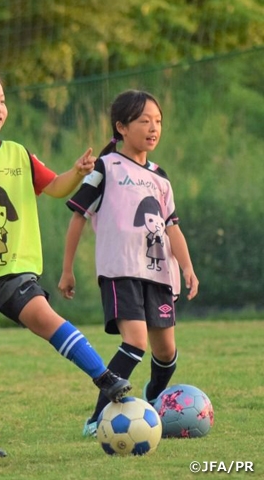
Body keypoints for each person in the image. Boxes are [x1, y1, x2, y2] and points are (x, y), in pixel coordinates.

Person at [0, 66, 132, 455]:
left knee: (44, 317)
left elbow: (53, 187)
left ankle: (104, 377)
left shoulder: (16, 153)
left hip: (15, 268)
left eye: (2, 100)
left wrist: (77, 172)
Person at [58, 89, 199, 437]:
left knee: (166, 351)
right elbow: (78, 217)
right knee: (135, 341)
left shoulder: (161, 176)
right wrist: (67, 269)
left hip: (160, 274)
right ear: (121, 127)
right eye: (144, 121)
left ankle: (154, 401)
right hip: (121, 270)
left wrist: (187, 267)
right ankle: (97, 418)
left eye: (158, 121)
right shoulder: (106, 167)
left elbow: (172, 228)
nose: (153, 128)